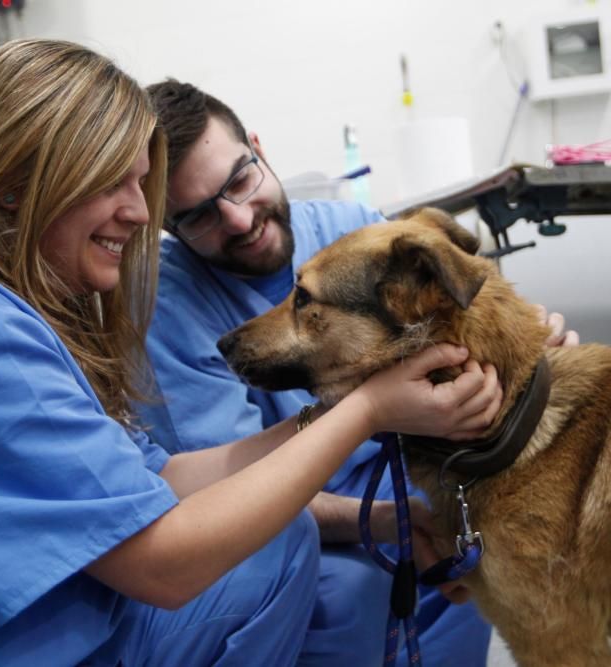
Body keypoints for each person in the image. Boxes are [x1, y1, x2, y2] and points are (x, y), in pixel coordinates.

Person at [0, 40, 504, 666]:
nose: (140, 214)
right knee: (279, 556)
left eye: (140, 184)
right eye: (109, 183)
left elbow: (163, 475)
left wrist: (374, 484)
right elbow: (168, 562)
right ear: (12, 187)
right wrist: (365, 409)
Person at [140, 78, 579, 666]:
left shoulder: (352, 234)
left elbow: (457, 330)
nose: (239, 219)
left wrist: (533, 349)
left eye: (240, 180)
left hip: (423, 494)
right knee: (350, 590)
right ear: (168, 228)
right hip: (314, 534)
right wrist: (395, 520)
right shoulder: (169, 309)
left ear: (259, 147)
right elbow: (233, 500)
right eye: (198, 216)